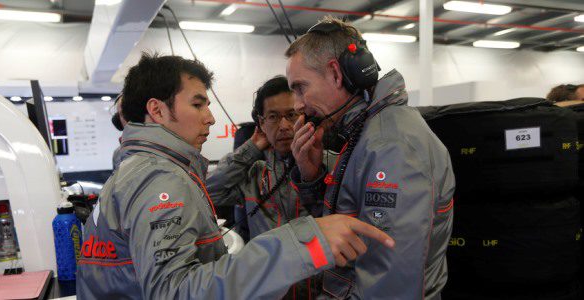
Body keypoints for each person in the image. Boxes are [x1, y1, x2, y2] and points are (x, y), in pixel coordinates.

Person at [76, 52, 395, 299]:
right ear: (158, 110)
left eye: (292, 115)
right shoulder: (161, 179)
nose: (211, 118)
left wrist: (311, 176)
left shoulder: (139, 169)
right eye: (198, 104)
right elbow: (174, 291)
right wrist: (303, 242)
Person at [285, 17, 455, 299]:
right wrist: (312, 176)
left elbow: (389, 284)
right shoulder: (365, 135)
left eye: (300, 87)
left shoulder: (390, 146)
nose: (297, 105)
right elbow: (347, 233)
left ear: (336, 74)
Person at [207, 76, 336, 298]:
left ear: (305, 117)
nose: (284, 126)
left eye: (291, 115)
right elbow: (209, 193)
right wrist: (252, 147)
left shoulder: (333, 165)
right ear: (261, 123)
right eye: (273, 117)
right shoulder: (253, 172)